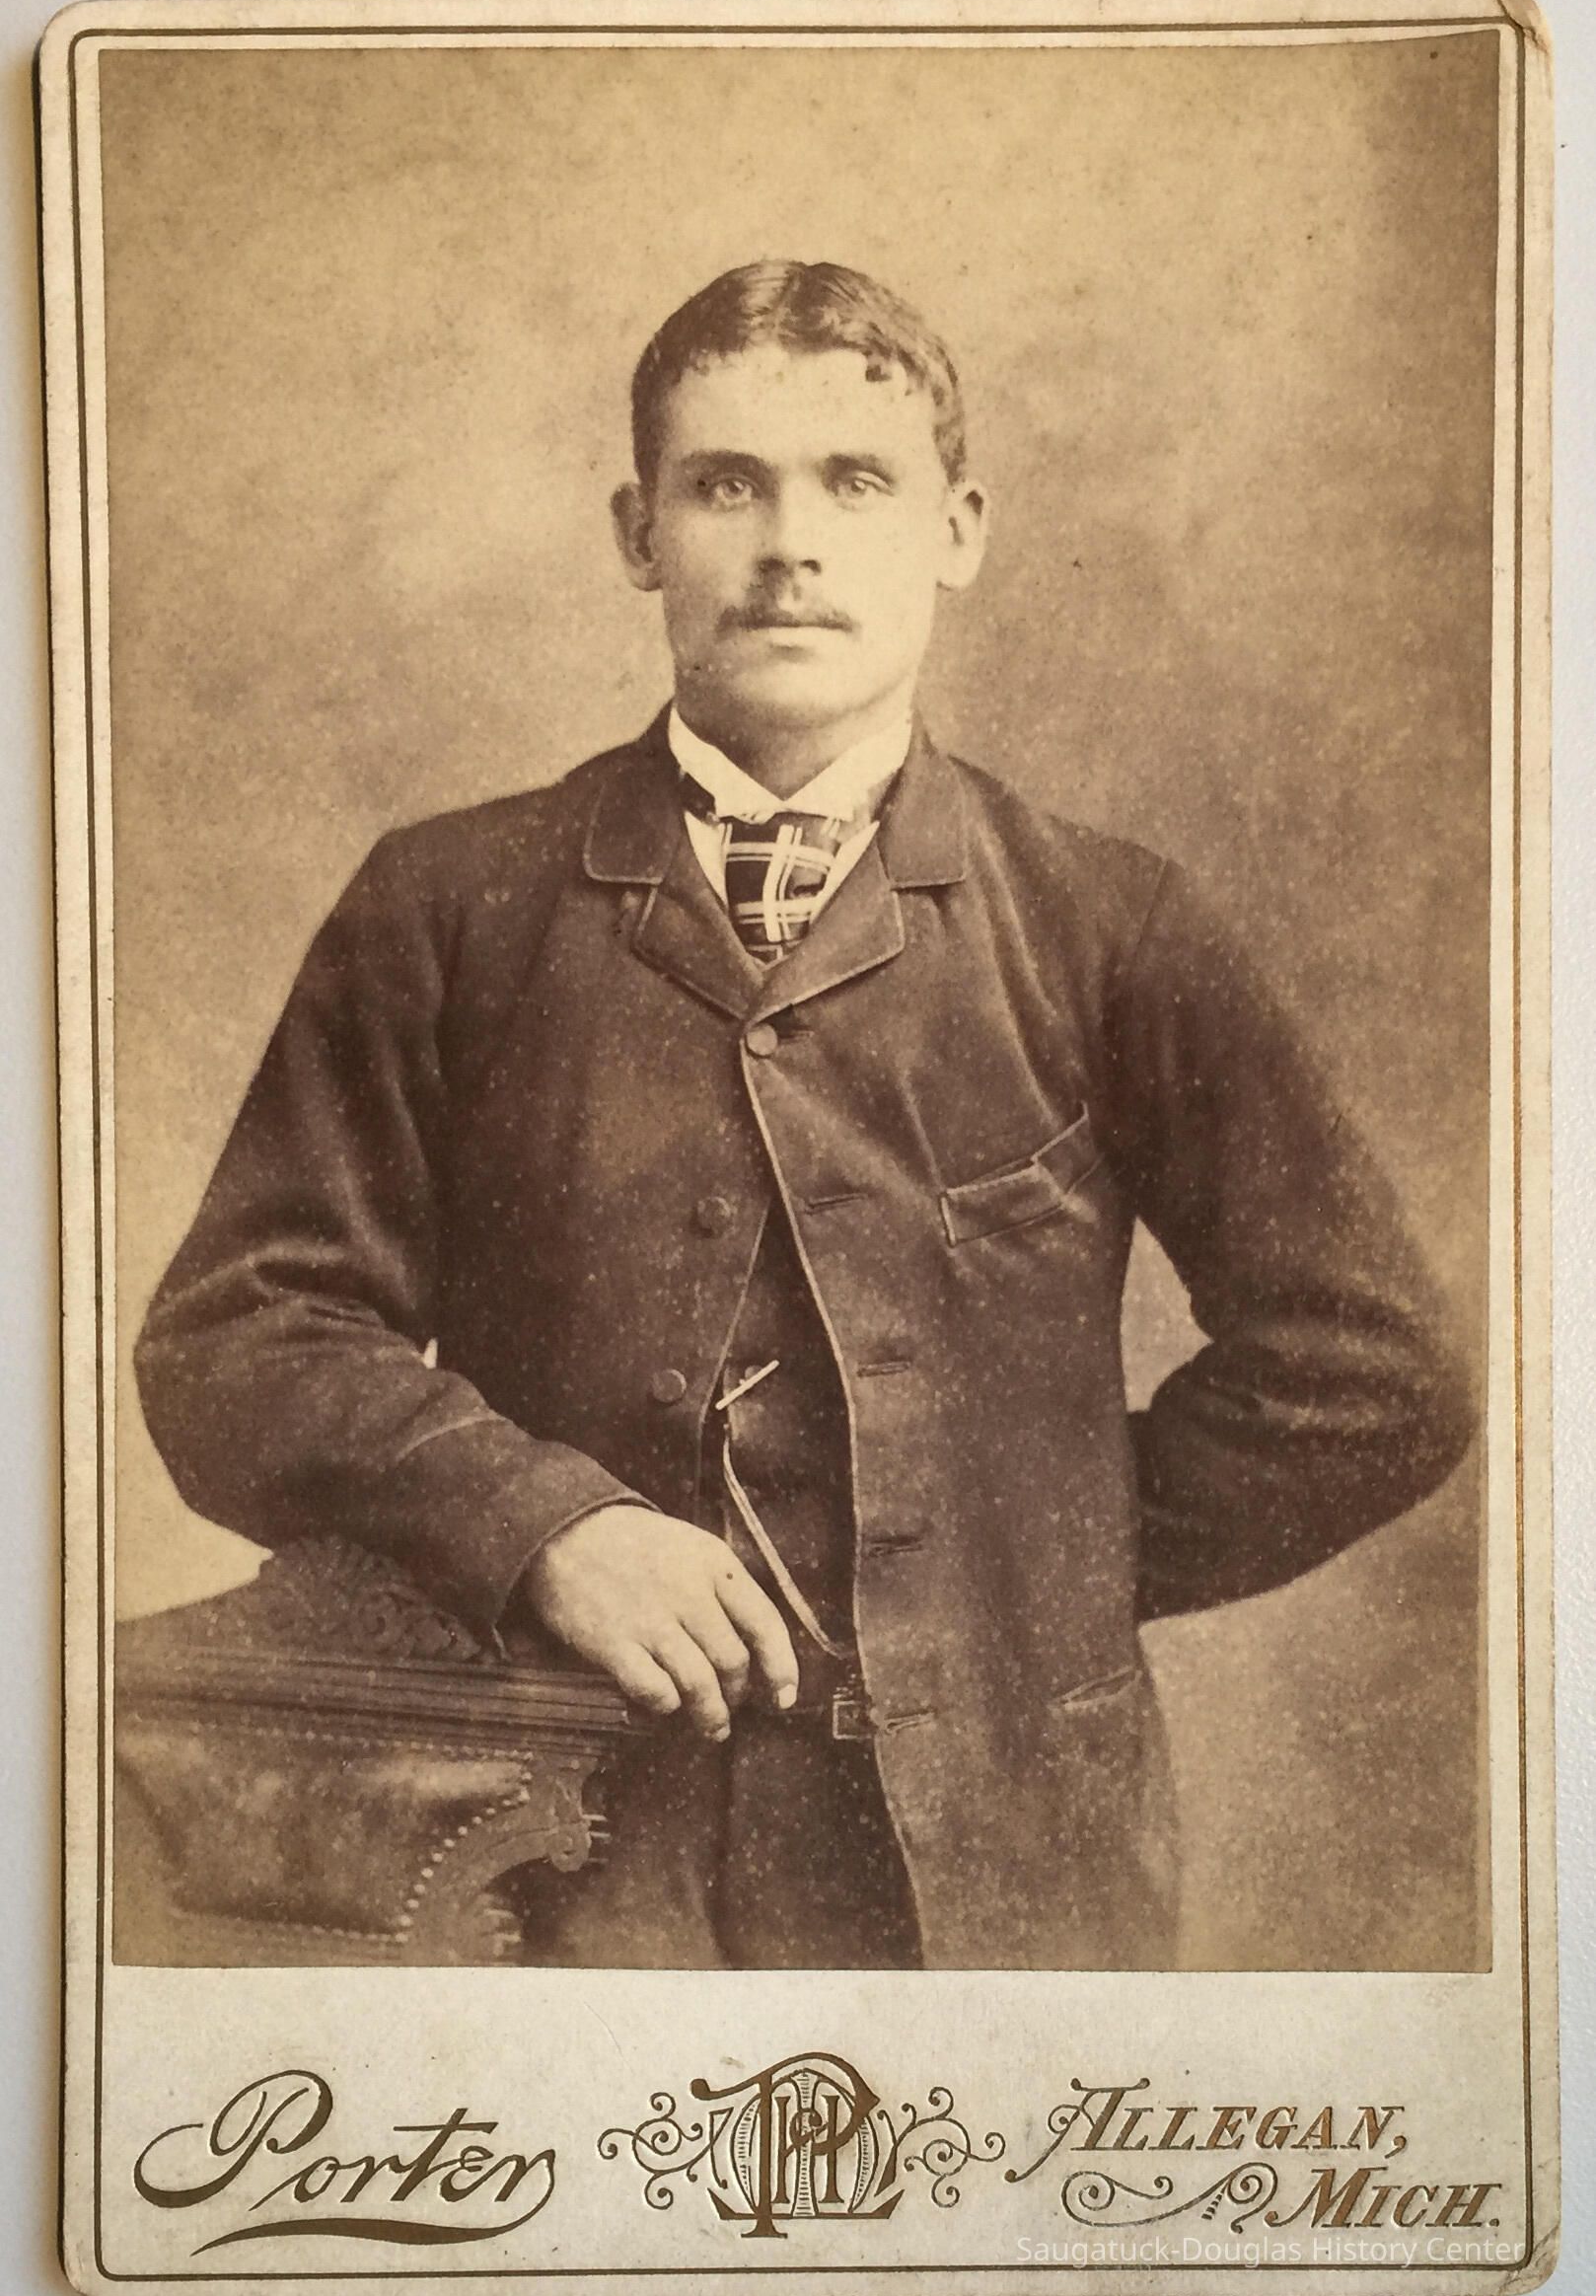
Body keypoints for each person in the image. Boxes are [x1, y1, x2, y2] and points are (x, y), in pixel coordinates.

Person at [134, 259, 1474, 1971]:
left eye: (854, 480)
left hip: (1003, 1883)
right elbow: (237, 1341)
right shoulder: (447, 906)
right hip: (558, 1860)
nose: (788, 545)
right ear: (638, 533)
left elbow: (1377, 1371)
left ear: (956, 530)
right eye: (723, 485)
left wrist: (1006, 1571)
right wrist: (539, 1527)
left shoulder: (1108, 924)